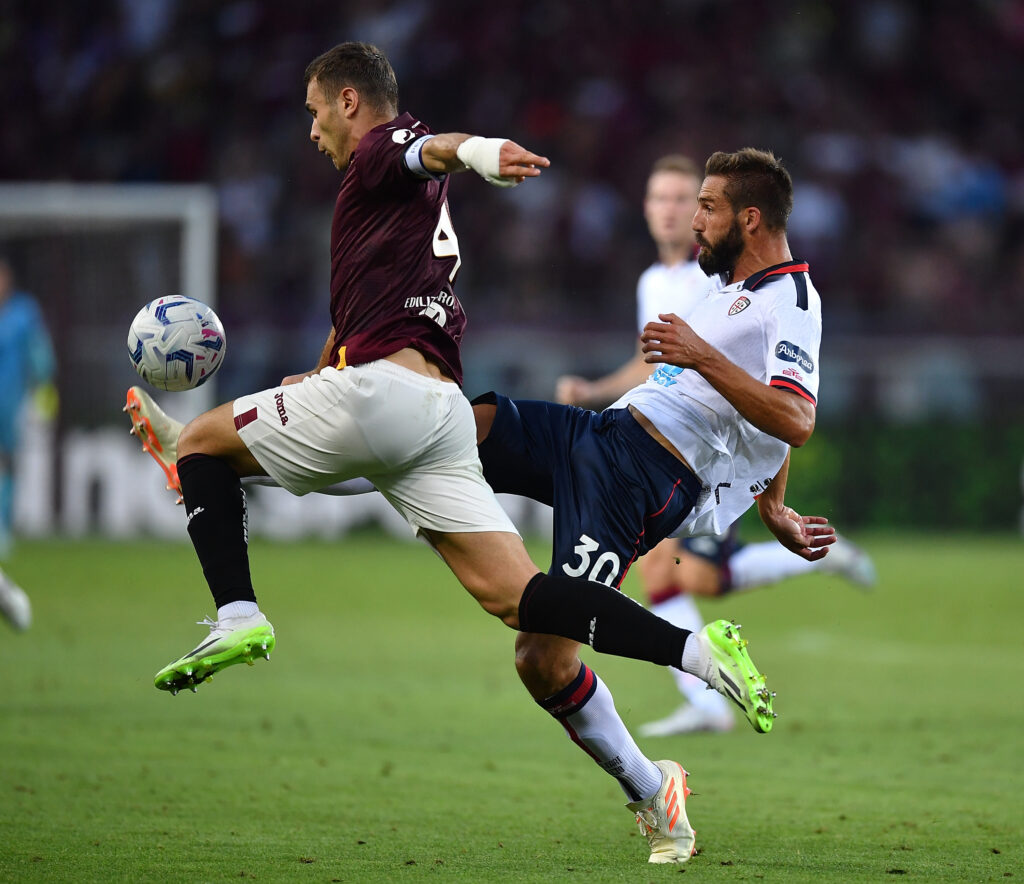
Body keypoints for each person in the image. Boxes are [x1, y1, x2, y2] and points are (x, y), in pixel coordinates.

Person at [125, 43, 788, 865]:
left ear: (349, 101)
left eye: (316, 113)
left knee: (200, 440)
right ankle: (691, 665)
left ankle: (237, 612)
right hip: (437, 414)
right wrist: (324, 369)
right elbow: (372, 294)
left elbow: (430, 148)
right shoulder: (397, 209)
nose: (312, 131)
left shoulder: (381, 151)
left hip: (397, 399)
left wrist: (482, 152)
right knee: (527, 608)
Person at [555, 155, 875, 737]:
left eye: (689, 200)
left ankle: (704, 686)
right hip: (663, 437)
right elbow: (660, 366)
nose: (676, 212)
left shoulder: (731, 281)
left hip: (703, 458)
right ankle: (704, 690)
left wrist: (769, 497)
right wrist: (601, 396)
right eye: (662, 199)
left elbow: (770, 392)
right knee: (678, 577)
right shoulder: (657, 281)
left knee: (684, 577)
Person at [0, 256, 56, 632]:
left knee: (6, 462)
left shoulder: (23, 313)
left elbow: (40, 354)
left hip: (9, 401)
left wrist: (44, 389)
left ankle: (2, 527)